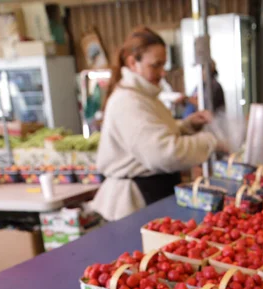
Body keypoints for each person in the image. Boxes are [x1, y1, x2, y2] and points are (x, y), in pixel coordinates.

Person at [92, 27, 220, 221]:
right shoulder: (128, 101)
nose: (162, 73)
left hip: (151, 194)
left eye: (163, 65)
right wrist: (213, 141)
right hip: (133, 205)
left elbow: (150, 137)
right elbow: (164, 154)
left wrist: (186, 127)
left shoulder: (144, 96)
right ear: (133, 63)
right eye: (156, 65)